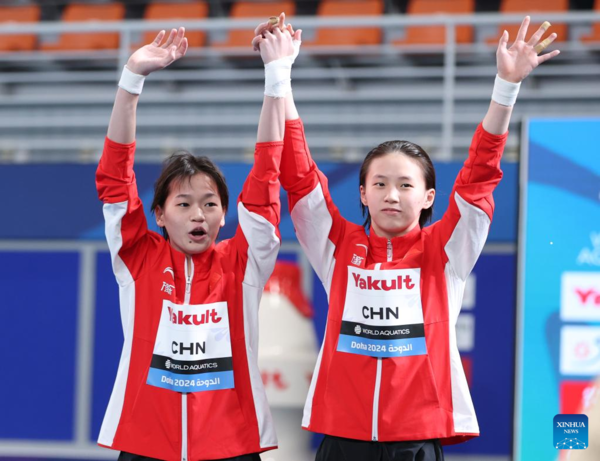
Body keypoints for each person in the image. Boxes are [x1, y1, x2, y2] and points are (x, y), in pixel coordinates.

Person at [254, 15, 560, 461]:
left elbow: (478, 180)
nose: (391, 195)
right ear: (362, 193)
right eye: (379, 184)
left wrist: (505, 88)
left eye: (405, 185)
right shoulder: (336, 247)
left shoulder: (447, 251)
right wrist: (280, 73)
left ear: (428, 196)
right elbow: (300, 178)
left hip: (416, 439)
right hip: (342, 436)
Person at [96, 24, 297, 461]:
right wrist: (131, 80)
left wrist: (276, 77)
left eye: (209, 204)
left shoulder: (245, 264)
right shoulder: (137, 258)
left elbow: (266, 178)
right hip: (145, 444)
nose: (198, 215)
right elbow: (115, 181)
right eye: (183, 204)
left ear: (225, 215)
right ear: (159, 216)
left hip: (232, 445)